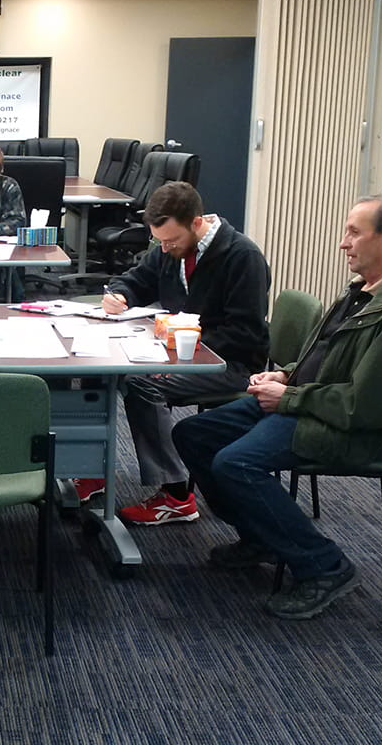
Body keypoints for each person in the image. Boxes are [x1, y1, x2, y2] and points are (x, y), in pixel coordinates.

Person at [172, 194, 382, 620]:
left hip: (345, 425)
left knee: (236, 463)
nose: (343, 243)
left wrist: (291, 396)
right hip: (308, 401)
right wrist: (286, 375)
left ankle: (324, 564)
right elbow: (327, 357)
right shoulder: (363, 288)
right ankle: (261, 534)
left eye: (354, 232)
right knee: (192, 433)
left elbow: (366, 407)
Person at [75, 181, 270, 525]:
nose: (164, 248)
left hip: (230, 362)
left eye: (171, 240)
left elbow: (245, 333)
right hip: (181, 351)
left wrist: (182, 343)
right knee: (97, 370)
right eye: (159, 241)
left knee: (143, 385)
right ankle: (92, 469)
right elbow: (137, 279)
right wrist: (119, 295)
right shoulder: (171, 247)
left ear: (196, 223)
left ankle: (177, 495)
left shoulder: (243, 257)